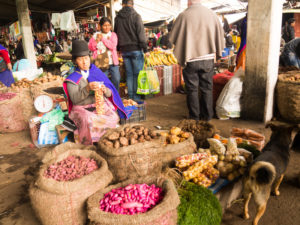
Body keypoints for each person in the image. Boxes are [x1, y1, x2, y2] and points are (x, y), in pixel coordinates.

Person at [63, 40, 127, 145]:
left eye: (86, 58)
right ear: (75, 61)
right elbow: (75, 99)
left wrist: (104, 90)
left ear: (90, 58)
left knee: (114, 117)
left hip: (98, 105)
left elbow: (110, 93)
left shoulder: (96, 72)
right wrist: (87, 88)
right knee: (89, 119)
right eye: (80, 59)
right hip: (81, 108)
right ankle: (91, 144)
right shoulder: (72, 79)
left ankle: (106, 140)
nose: (84, 62)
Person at [169, 0, 225, 121]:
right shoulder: (212, 14)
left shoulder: (184, 15)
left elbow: (173, 37)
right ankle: (208, 117)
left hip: (191, 59)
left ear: (189, 2)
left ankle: (194, 117)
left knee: (192, 89)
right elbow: (220, 36)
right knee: (207, 88)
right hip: (208, 59)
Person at [114, 0, 149, 101]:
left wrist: (118, 49)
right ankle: (136, 98)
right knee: (137, 75)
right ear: (132, 5)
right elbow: (141, 35)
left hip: (124, 50)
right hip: (136, 50)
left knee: (129, 74)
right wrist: (145, 50)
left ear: (122, 4)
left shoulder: (118, 17)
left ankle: (131, 97)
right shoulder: (136, 16)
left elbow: (115, 34)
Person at [88, 17, 121, 91]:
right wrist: (97, 40)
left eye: (109, 25)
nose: (107, 27)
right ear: (100, 26)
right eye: (105, 25)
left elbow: (112, 46)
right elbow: (91, 48)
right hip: (101, 63)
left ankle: (115, 96)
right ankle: (106, 99)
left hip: (112, 63)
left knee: (116, 79)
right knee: (103, 82)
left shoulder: (113, 35)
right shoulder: (96, 35)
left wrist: (103, 39)